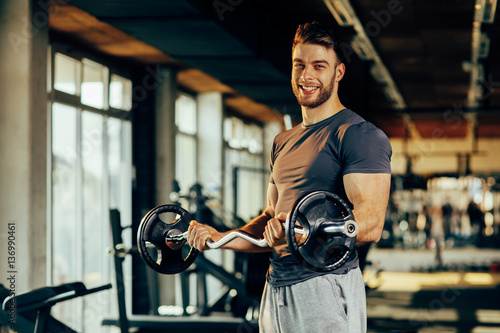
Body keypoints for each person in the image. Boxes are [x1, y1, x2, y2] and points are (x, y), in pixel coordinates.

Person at [187, 21, 392, 332]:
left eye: (319, 66)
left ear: (338, 73)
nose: (306, 76)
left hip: (324, 286)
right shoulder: (281, 142)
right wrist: (221, 239)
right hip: (276, 286)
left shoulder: (358, 135)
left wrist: (302, 232)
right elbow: (270, 220)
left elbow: (371, 223)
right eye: (300, 65)